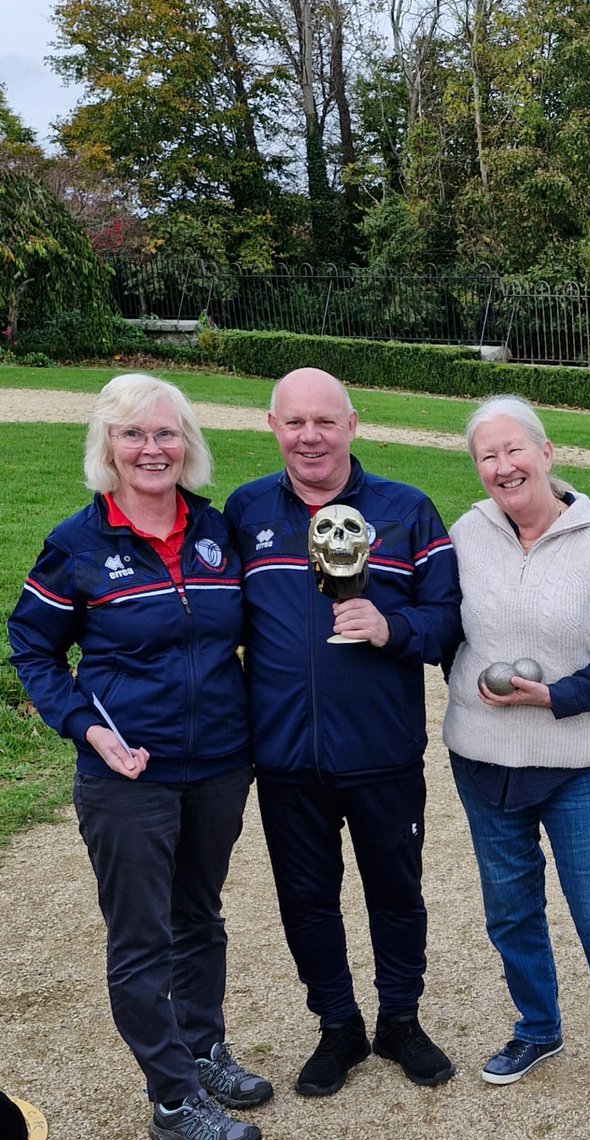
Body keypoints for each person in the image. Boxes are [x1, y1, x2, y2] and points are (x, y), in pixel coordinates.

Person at [8, 374, 270, 1140]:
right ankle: (171, 1097)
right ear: (108, 448)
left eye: (166, 433)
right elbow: (33, 649)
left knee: (201, 916)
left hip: (221, 763)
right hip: (130, 776)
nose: (152, 449)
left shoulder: (219, 532)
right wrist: (89, 730)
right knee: (141, 937)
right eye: (134, 435)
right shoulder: (77, 545)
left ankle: (201, 1048)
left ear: (188, 444)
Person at [224, 366, 462, 1096]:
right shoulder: (244, 513)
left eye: (325, 420)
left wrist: (393, 626)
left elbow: (451, 618)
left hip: (382, 752)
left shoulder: (407, 509)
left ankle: (400, 1020)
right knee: (306, 900)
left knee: (396, 891)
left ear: (352, 424)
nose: (310, 435)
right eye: (294, 421)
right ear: (274, 428)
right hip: (287, 756)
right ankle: (338, 1027)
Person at [443, 395, 590, 1125]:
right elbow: (445, 626)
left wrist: (555, 696)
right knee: (510, 913)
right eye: (487, 455)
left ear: (546, 453)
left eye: (514, 450)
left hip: (580, 765)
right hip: (482, 757)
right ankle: (538, 1029)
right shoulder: (466, 535)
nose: (502, 466)